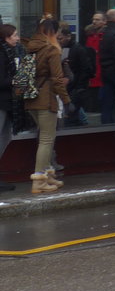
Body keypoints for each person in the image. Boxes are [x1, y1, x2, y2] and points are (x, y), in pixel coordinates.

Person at [24, 17, 70, 194]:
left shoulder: (30, 46)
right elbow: (57, 80)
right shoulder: (51, 50)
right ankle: (39, 181)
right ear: (54, 32)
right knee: (46, 139)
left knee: (45, 137)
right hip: (46, 99)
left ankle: (48, 175)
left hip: (31, 97)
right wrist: (66, 100)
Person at [0, 25, 19, 192]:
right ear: (6, 37)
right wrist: (15, 80)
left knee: (6, 136)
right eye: (14, 35)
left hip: (6, 102)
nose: (17, 38)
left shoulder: (9, 53)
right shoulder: (2, 54)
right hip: (1, 102)